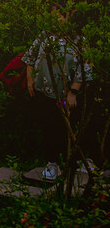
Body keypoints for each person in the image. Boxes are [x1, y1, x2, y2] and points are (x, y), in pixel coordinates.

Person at [22, 27, 92, 181]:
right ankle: (52, 164)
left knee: (71, 126)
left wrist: (73, 91)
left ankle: (78, 161)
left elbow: (84, 66)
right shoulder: (43, 35)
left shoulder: (78, 39)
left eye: (60, 15)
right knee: (49, 126)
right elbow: (30, 57)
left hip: (68, 92)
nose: (56, 20)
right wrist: (29, 79)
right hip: (44, 91)